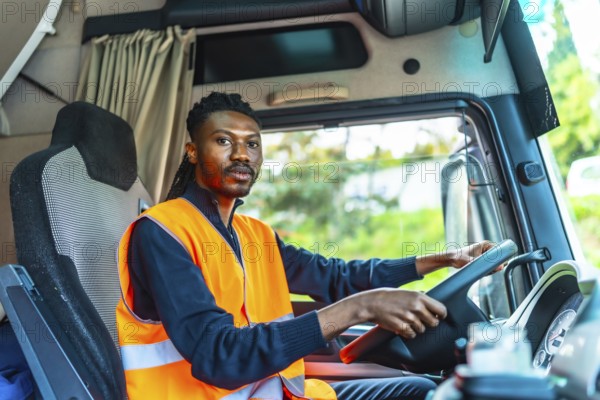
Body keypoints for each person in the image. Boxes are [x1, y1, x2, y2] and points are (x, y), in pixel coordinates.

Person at [116, 91, 494, 400]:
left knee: (421, 389)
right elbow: (219, 356)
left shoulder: (255, 235)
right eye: (223, 141)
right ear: (193, 152)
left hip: (272, 392)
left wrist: (441, 260)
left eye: (252, 144)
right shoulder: (160, 233)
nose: (242, 154)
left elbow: (336, 278)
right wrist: (360, 308)